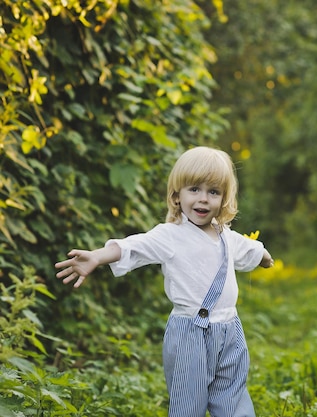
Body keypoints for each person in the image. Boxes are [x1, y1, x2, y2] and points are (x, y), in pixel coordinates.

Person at [55, 146, 274, 417]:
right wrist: (97, 257)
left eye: (213, 192)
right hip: (189, 335)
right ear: (177, 195)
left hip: (230, 332)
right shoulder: (171, 236)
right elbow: (134, 246)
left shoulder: (225, 235)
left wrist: (263, 255)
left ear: (224, 199)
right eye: (194, 189)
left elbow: (247, 249)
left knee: (233, 398)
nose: (203, 200)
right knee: (188, 404)